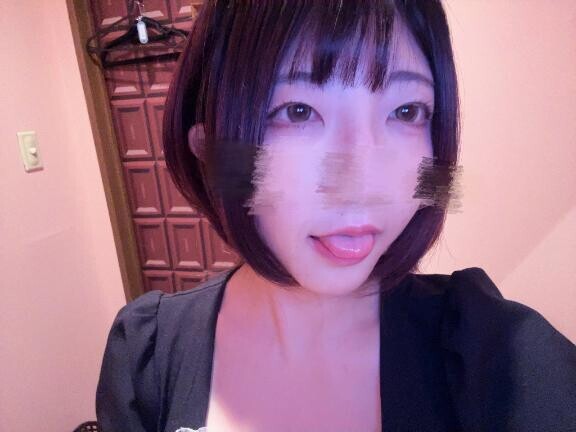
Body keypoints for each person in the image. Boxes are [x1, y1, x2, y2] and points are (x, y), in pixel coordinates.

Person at [95, 1, 576, 431]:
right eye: (298, 111)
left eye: (406, 111)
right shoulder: (146, 356)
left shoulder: (499, 353)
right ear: (209, 149)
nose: (364, 184)